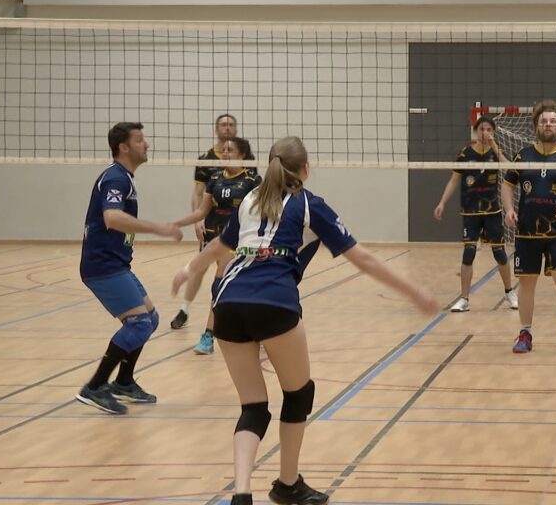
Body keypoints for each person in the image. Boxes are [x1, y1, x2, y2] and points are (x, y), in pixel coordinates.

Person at [171, 136, 437, 505]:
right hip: (274, 302)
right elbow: (364, 260)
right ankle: (287, 484)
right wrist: (413, 291)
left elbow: (219, 247)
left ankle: (241, 493)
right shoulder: (310, 205)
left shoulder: (250, 200)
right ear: (306, 170)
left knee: (253, 406)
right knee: (299, 394)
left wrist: (187, 270)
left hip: (226, 305)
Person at [76, 122, 182, 414]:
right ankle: (95, 386)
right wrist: (158, 228)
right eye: (139, 139)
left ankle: (123, 382)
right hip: (103, 266)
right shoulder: (116, 178)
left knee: (151, 317)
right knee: (139, 325)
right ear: (123, 147)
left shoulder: (124, 178)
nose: (146, 144)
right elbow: (112, 218)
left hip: (116, 263)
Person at [500, 100, 556, 354]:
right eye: (543, 121)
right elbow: (508, 185)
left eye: (552, 121)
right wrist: (508, 209)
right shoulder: (522, 155)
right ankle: (525, 333)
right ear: (536, 126)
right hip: (526, 231)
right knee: (527, 283)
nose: (547, 125)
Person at [172, 137, 260, 354]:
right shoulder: (215, 178)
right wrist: (178, 223)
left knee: (220, 283)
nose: (225, 153)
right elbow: (202, 210)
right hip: (213, 236)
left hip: (238, 241)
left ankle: (208, 336)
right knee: (212, 280)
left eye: (230, 150)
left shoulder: (252, 180)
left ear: (242, 156)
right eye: (224, 150)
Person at [433, 115, 518, 312]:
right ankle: (464, 299)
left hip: (492, 211)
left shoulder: (495, 153)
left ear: (493, 132)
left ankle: (509, 292)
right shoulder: (465, 154)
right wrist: (442, 203)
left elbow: (509, 170)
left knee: (499, 253)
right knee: (468, 253)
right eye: (482, 129)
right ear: (475, 131)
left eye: (489, 129)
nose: (485, 132)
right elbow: (454, 180)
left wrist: (495, 146)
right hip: (470, 212)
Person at [171, 113, 239, 330]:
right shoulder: (206, 158)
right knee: (200, 267)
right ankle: (184, 309)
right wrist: (196, 221)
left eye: (230, 125)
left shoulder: (244, 157)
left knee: (229, 270)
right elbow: (197, 193)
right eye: (223, 125)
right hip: (211, 222)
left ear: (235, 130)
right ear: (216, 129)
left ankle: (223, 321)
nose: (227, 128)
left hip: (235, 224)